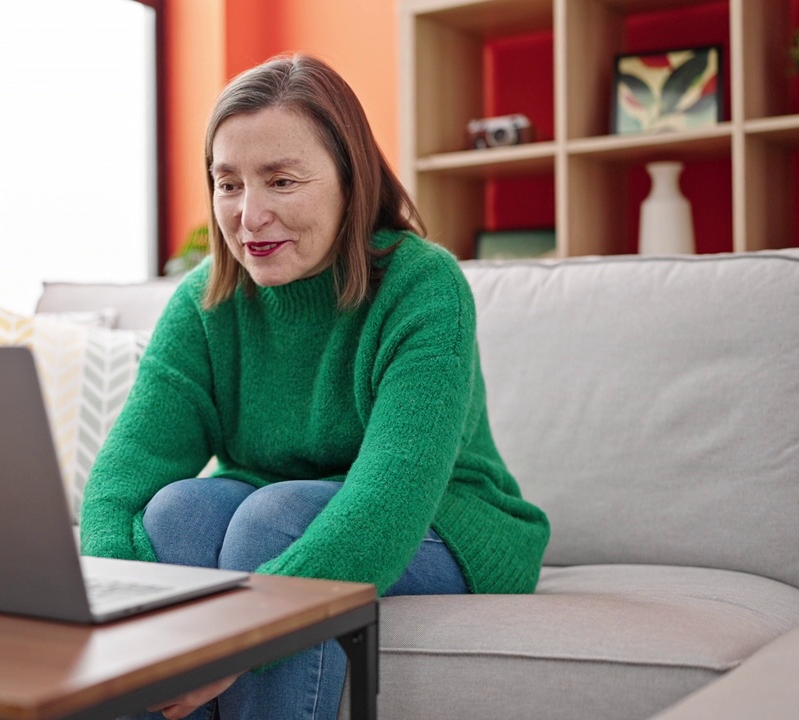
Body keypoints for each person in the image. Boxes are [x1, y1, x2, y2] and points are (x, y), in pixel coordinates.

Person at [78, 53, 550, 720]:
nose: (248, 215)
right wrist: (131, 635)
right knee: (177, 510)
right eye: (228, 183)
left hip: (444, 519)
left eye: (282, 181)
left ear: (350, 183)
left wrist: (230, 647)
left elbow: (387, 502)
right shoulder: (204, 304)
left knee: (278, 517)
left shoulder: (423, 287)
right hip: (276, 507)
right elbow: (116, 488)